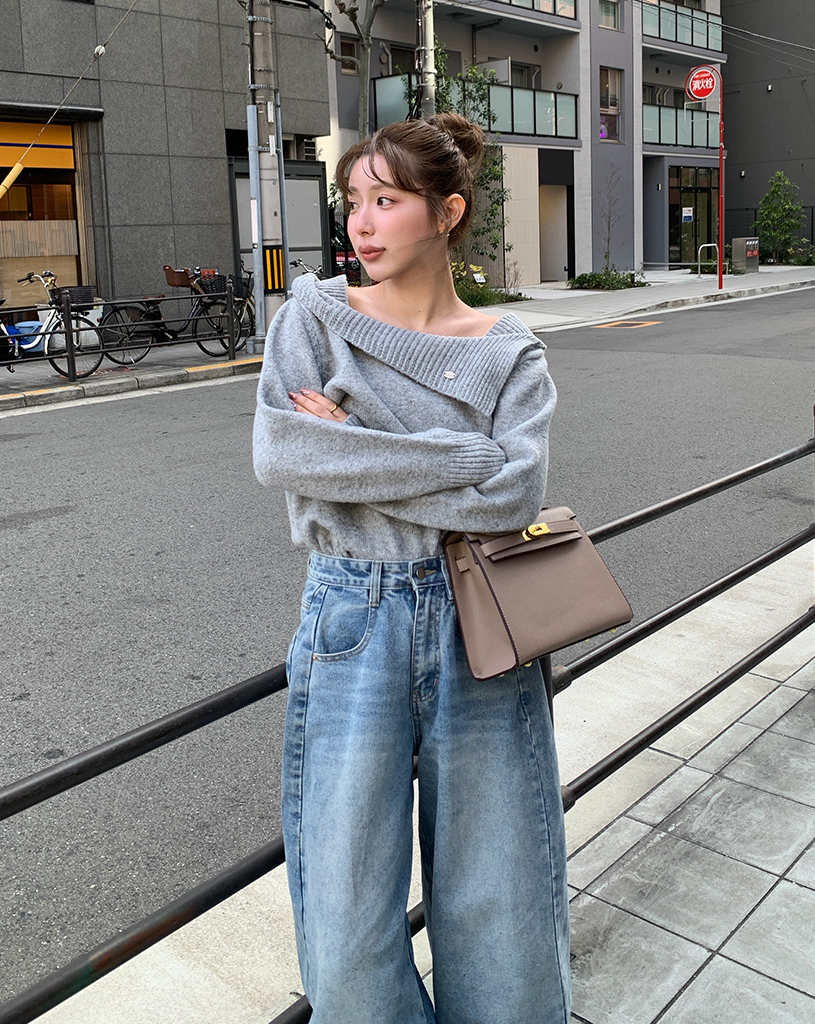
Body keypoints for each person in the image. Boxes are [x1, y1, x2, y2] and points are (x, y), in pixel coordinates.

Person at [253, 112, 570, 1024]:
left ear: (447, 212)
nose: (360, 222)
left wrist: (356, 445)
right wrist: (464, 458)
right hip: (352, 615)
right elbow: (285, 454)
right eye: (353, 200)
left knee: (504, 894)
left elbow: (513, 495)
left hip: (484, 620)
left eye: (386, 201)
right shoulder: (312, 318)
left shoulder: (509, 350)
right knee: (345, 913)